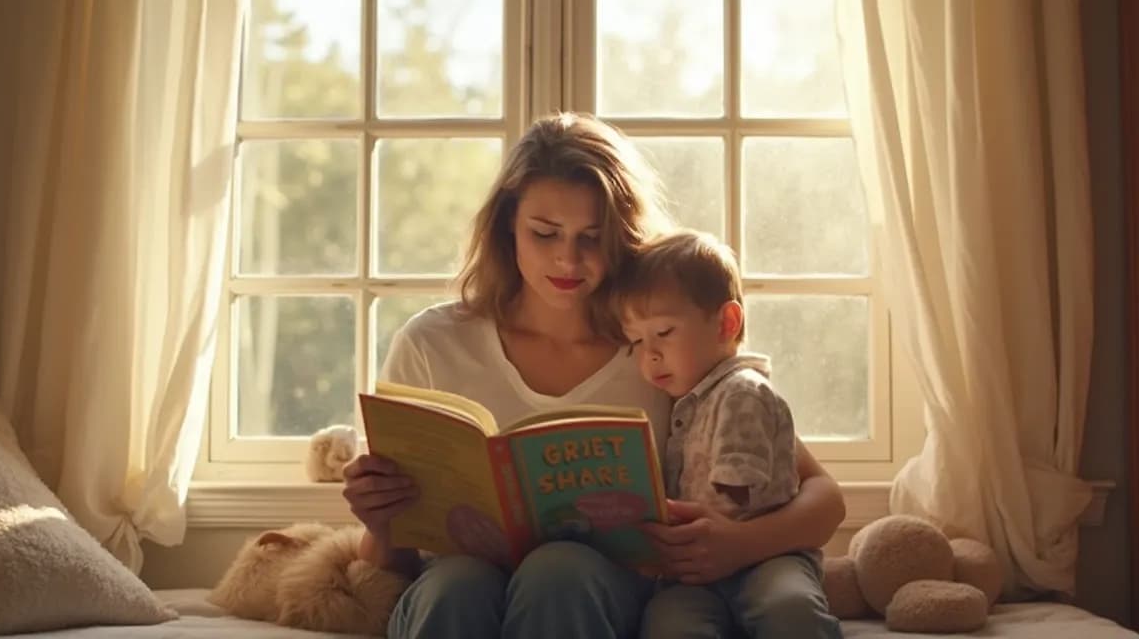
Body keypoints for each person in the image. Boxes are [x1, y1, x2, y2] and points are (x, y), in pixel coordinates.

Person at [339, 112, 847, 639]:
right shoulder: (432, 344)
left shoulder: (657, 346)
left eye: (591, 237)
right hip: (454, 584)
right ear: (507, 226)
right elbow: (387, 562)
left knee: (561, 570)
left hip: (601, 589)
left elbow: (824, 495)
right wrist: (379, 520)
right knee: (458, 585)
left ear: (621, 237)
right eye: (545, 233)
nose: (568, 257)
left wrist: (738, 545)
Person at [613, 229, 841, 638]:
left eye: (664, 333)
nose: (650, 354)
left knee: (790, 607)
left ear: (727, 322)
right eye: (635, 343)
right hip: (694, 572)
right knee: (670, 625)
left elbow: (738, 489)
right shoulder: (677, 396)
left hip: (769, 556)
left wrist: (724, 539)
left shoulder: (743, 392)